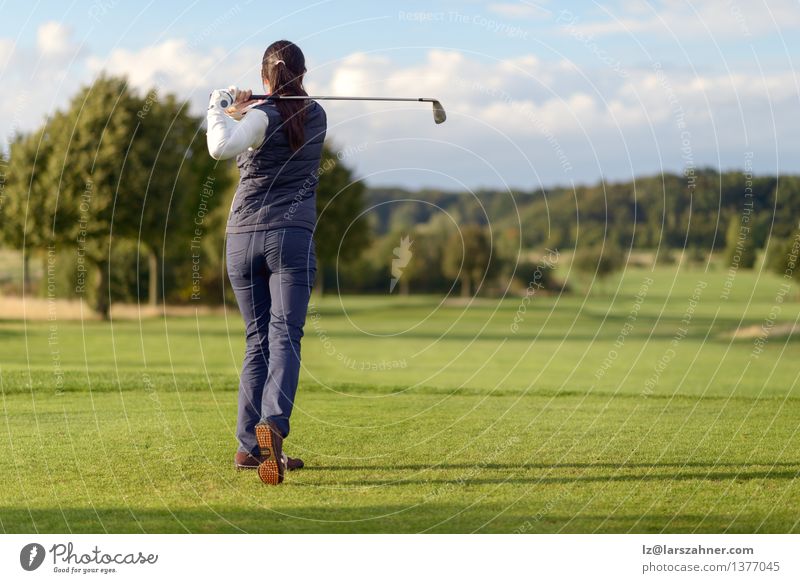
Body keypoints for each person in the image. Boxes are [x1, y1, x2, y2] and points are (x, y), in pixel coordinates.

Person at [206, 40, 326, 485]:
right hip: (290, 238)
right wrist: (245, 109)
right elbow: (277, 119)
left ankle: (249, 449)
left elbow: (222, 145)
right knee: (285, 336)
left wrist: (220, 106)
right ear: (303, 73)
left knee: (257, 339)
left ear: (264, 78)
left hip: (242, 239)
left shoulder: (259, 114)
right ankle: (272, 429)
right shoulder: (316, 115)